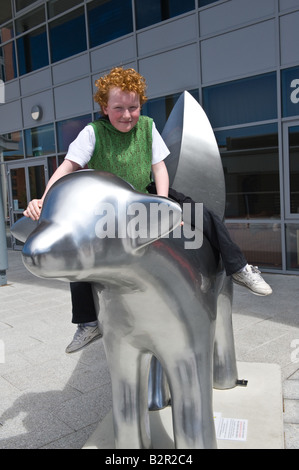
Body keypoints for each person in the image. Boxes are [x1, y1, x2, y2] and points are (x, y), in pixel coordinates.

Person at [23, 66, 272, 354]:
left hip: (146, 193)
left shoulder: (148, 127)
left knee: (202, 215)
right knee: (81, 252)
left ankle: (240, 268)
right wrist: (44, 198)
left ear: (141, 105)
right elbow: (68, 167)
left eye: (133, 107)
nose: (127, 115)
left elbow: (158, 167)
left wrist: (163, 205)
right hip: (110, 204)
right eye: (119, 108)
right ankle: (88, 323)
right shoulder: (92, 133)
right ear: (105, 107)